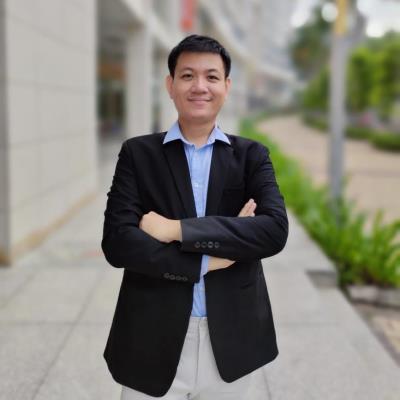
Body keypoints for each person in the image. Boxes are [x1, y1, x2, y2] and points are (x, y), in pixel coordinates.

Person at [101, 34, 288, 400]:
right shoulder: (138, 154)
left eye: (211, 76)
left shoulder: (252, 156)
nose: (199, 86)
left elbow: (273, 231)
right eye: (187, 76)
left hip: (232, 338)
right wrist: (212, 259)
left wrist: (175, 229)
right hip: (150, 335)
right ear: (170, 85)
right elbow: (118, 243)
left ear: (227, 87)